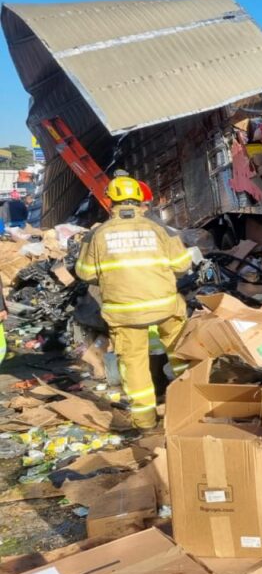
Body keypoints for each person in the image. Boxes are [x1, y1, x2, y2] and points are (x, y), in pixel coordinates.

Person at [74, 176, 192, 429]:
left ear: (111, 201)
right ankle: (194, 405)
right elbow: (183, 265)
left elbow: (84, 273)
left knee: (134, 364)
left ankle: (145, 421)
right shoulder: (161, 230)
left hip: (124, 312)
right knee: (182, 353)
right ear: (140, 201)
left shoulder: (97, 234)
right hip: (165, 305)